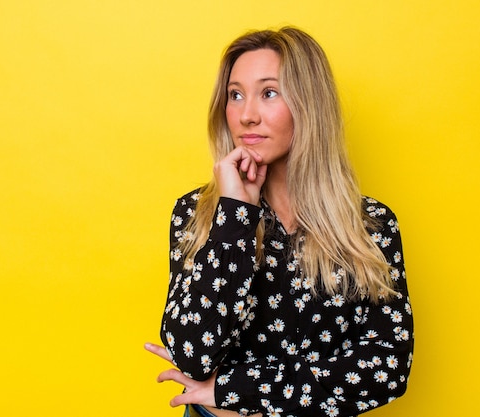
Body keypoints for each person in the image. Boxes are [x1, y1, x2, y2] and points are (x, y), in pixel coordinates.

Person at [145, 26, 414, 417]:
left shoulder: (370, 226)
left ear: (309, 104)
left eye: (269, 93)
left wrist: (235, 389)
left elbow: (386, 369)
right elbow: (195, 353)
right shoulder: (197, 214)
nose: (247, 115)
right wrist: (236, 215)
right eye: (235, 95)